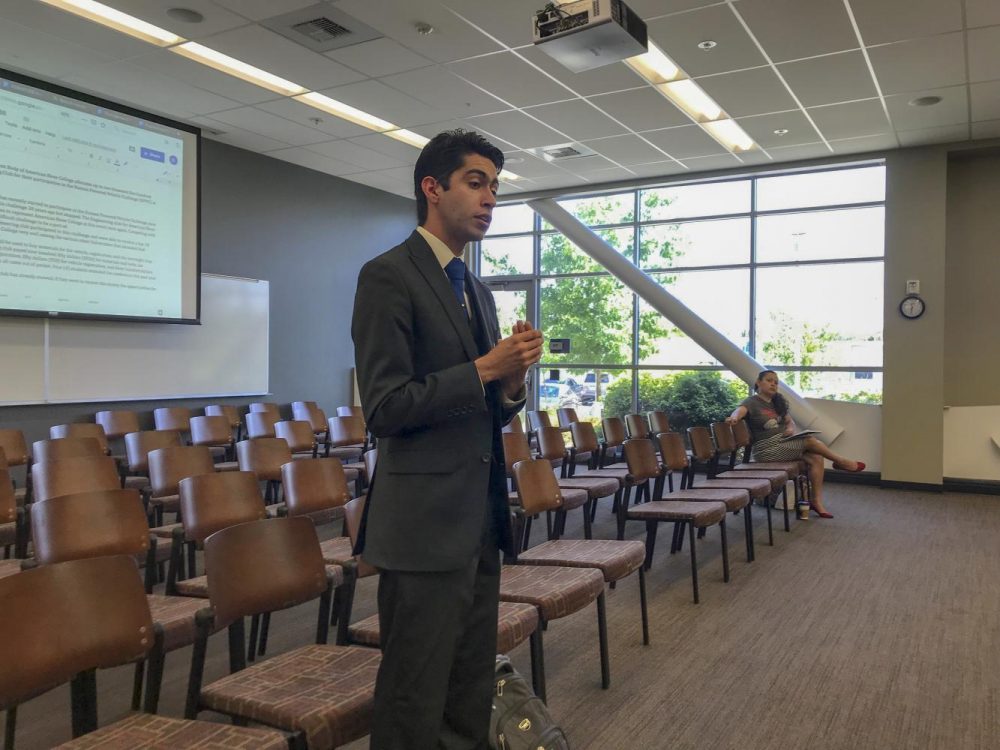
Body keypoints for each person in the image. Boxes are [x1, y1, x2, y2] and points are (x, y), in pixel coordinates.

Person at [351, 129, 543, 750]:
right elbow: (384, 408)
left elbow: (488, 413)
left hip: (479, 520)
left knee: (467, 687)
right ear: (432, 189)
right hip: (423, 527)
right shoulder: (387, 276)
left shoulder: (477, 290)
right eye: (476, 183)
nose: (490, 199)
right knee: (414, 694)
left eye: (495, 187)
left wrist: (510, 383)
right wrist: (486, 368)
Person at [727, 370, 865, 519]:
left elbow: (789, 421)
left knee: (816, 458)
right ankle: (841, 462)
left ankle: (816, 501)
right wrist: (734, 418)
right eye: (769, 380)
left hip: (782, 443)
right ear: (758, 382)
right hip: (766, 449)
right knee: (810, 441)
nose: (773, 384)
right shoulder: (751, 402)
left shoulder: (776, 402)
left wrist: (791, 428)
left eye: (776, 382)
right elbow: (739, 411)